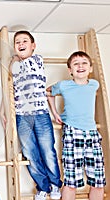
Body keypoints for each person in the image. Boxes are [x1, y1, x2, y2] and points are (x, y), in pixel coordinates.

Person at [0, 30, 62, 200]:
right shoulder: (15, 69)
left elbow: (18, 65)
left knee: (47, 151)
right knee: (30, 153)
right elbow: (11, 91)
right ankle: (42, 186)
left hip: (40, 114)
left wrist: (14, 58)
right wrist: (3, 109)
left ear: (33, 46)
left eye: (24, 41)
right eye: (17, 42)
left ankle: (55, 184)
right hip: (22, 116)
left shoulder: (36, 60)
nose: (20, 44)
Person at [47, 51, 106, 200]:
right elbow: (48, 93)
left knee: (98, 181)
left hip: (92, 134)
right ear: (70, 70)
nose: (80, 66)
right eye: (76, 64)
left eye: (84, 63)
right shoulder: (64, 85)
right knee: (71, 181)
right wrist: (55, 113)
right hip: (73, 133)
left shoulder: (94, 84)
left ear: (91, 68)